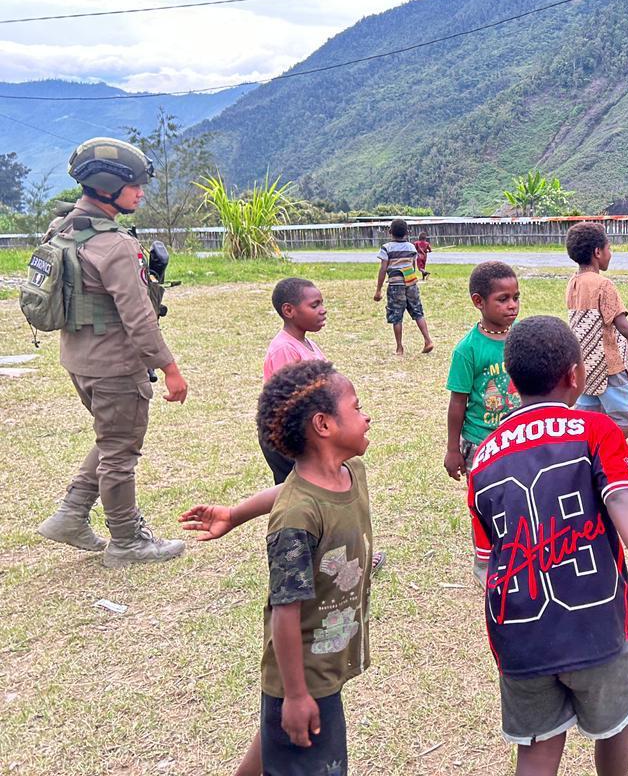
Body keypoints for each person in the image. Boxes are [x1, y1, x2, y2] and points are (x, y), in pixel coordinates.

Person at [468, 316, 628, 776]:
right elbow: (623, 494)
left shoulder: (482, 460)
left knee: (537, 751)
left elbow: (486, 566)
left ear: (513, 380)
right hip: (598, 628)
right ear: (575, 375)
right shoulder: (595, 430)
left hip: (520, 637)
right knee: (615, 726)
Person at [187, 359, 374, 776]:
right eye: (357, 407)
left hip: (327, 655)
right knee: (305, 752)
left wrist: (235, 513)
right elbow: (285, 611)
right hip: (304, 673)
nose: (367, 416)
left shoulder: (349, 472)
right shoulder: (294, 520)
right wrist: (295, 695)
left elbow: (290, 488)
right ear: (324, 425)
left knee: (279, 738)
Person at [36, 136, 189, 568]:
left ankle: (70, 514)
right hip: (116, 365)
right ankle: (126, 541)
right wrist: (170, 369)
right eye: (135, 185)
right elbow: (139, 319)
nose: (141, 192)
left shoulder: (64, 226)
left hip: (79, 360)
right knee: (121, 451)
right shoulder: (115, 244)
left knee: (111, 438)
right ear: (107, 185)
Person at [564, 222, 628, 438]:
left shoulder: (573, 282)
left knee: (586, 424)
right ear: (598, 252)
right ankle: (603, 450)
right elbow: (622, 325)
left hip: (584, 367)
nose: (610, 253)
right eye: (609, 248)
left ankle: (589, 456)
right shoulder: (603, 285)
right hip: (609, 369)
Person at [444, 261, 523, 480]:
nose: (512, 305)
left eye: (516, 298)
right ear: (478, 301)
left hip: (520, 436)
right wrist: (452, 449)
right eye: (503, 299)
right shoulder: (467, 350)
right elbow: (458, 402)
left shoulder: (524, 337)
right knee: (484, 501)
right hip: (481, 441)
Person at [260, 277, 328, 484]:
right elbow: (291, 402)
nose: (323, 310)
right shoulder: (285, 349)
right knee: (295, 495)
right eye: (314, 305)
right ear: (289, 311)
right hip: (288, 437)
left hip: (305, 432)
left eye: (322, 303)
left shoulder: (307, 343)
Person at [373, 218, 433, 355]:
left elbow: (383, 269)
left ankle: (399, 348)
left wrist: (378, 290)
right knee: (418, 312)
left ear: (390, 232)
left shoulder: (386, 248)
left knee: (396, 316)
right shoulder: (411, 247)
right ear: (407, 232)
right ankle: (428, 340)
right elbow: (412, 266)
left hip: (395, 284)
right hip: (411, 283)